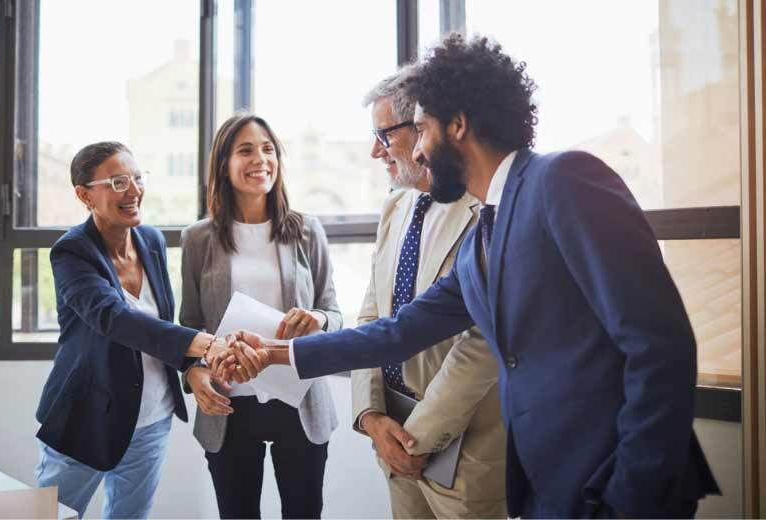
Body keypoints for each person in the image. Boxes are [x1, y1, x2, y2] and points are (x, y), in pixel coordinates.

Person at [217, 34, 721, 518]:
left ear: (457, 125)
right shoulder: (485, 232)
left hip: (615, 486)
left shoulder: (564, 180)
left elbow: (661, 346)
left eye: (423, 129)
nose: (415, 151)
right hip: (549, 488)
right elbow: (397, 332)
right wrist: (273, 355)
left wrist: (633, 497)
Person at [35, 141, 221, 519]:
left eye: (137, 178)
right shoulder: (72, 252)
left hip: (151, 420)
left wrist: (191, 365)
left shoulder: (150, 240)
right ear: (84, 195)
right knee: (49, 516)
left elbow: (161, 324)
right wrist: (197, 343)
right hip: (86, 419)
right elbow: (112, 317)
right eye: (118, 181)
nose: (134, 190)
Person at [352, 71, 506, 518]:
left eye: (385, 135)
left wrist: (416, 437)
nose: (375, 151)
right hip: (391, 434)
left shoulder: (485, 210)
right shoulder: (395, 205)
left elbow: (482, 345)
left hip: (464, 450)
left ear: (425, 127)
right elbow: (371, 316)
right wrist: (370, 416)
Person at [180, 113, 342, 519]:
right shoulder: (198, 238)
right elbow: (188, 326)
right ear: (224, 163)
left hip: (299, 401)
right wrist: (194, 372)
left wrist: (318, 320)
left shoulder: (307, 230)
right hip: (229, 403)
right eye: (246, 150)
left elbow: (335, 314)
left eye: (268, 149)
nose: (261, 159)